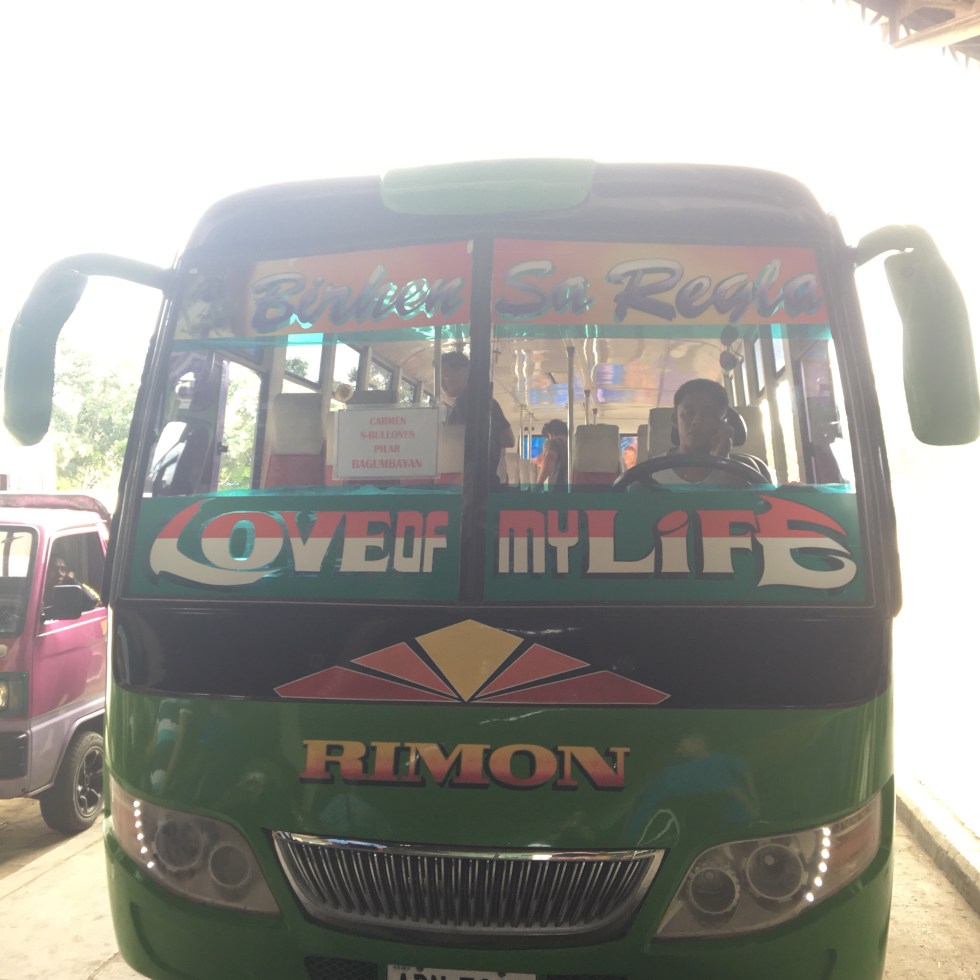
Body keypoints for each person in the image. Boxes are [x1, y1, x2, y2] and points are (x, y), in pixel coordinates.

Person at [655, 378, 747, 486]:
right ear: (675, 419)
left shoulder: (744, 471)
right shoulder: (652, 470)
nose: (697, 421)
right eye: (689, 412)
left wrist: (723, 460)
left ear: (723, 423)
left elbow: (750, 496)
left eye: (708, 413)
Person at [441, 351, 515, 484]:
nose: (441, 383)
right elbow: (508, 439)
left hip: (469, 483)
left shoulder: (466, 405)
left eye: (445, 375)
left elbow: (457, 448)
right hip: (486, 481)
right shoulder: (488, 402)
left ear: (464, 372)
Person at [536, 419, 568, 488]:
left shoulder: (553, 442)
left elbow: (550, 458)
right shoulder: (574, 443)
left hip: (559, 488)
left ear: (549, 435)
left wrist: (538, 485)